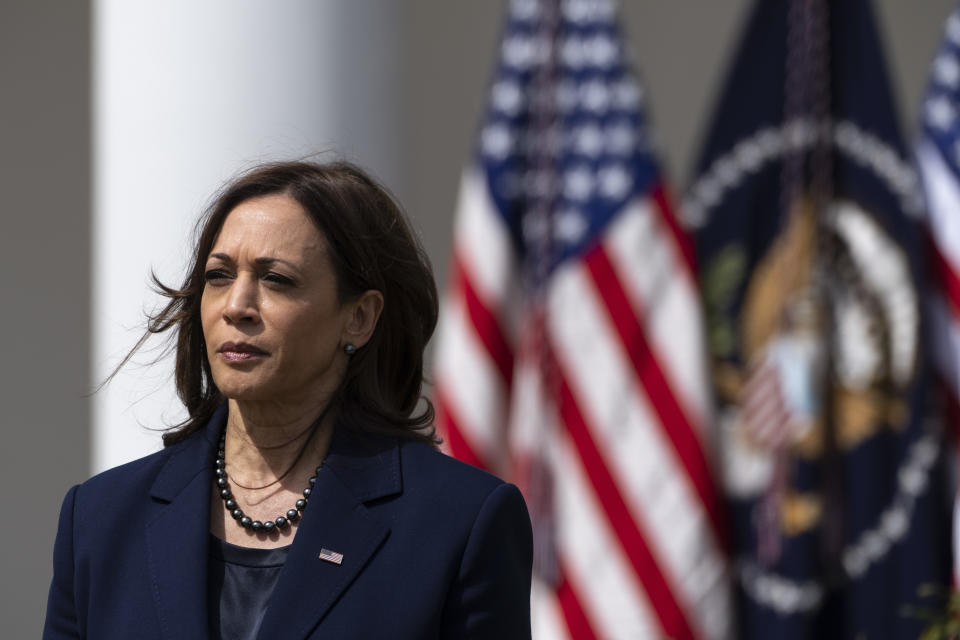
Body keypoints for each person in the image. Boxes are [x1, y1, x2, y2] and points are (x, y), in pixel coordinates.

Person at [43, 160, 533, 639]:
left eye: (275, 279)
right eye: (219, 276)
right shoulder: (99, 519)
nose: (237, 306)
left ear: (359, 318)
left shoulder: (461, 522)